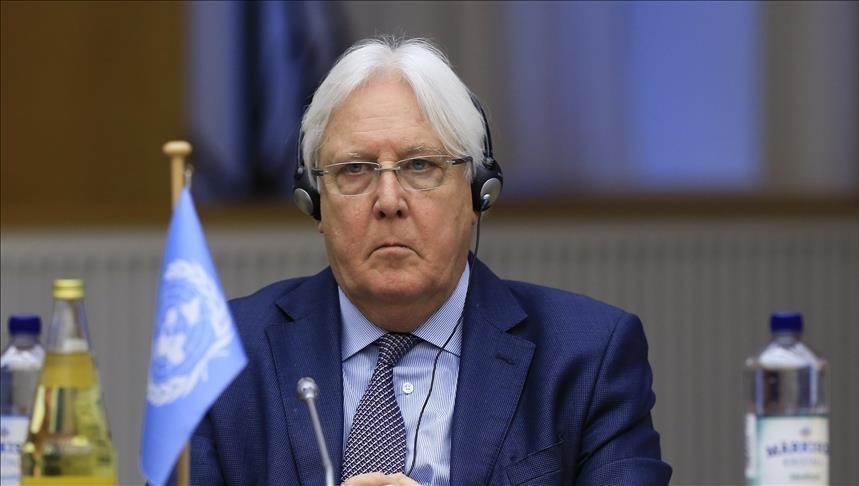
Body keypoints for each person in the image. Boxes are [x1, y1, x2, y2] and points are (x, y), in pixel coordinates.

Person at [191, 36, 672, 486]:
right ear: (315, 202)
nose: (388, 201)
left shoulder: (585, 356)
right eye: (354, 169)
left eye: (420, 165)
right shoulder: (223, 354)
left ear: (477, 194)